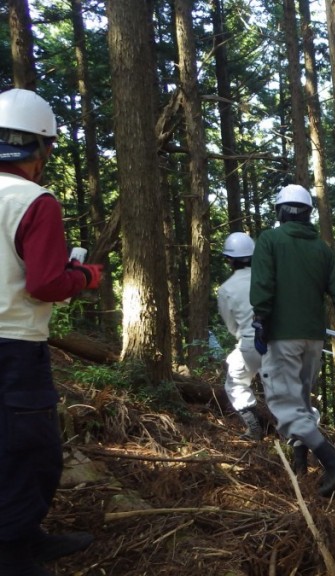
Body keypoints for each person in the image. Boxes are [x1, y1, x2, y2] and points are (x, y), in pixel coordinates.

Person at [0, 88, 101, 575]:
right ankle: (17, 554)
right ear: (38, 149)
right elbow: (44, 284)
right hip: (16, 347)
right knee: (30, 450)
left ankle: (25, 537)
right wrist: (84, 276)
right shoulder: (35, 201)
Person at [250, 184, 335, 497]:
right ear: (307, 213)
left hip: (282, 337)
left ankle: (332, 462)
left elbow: (262, 286)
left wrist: (261, 321)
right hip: (313, 339)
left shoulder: (270, 240)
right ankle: (301, 467)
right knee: (299, 401)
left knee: (286, 405)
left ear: (281, 211)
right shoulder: (322, 249)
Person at [217, 232, 263, 441]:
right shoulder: (268, 278)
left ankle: (254, 429)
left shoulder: (226, 289)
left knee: (235, 381)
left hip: (251, 345)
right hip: (282, 343)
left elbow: (232, 326)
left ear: (229, 260)